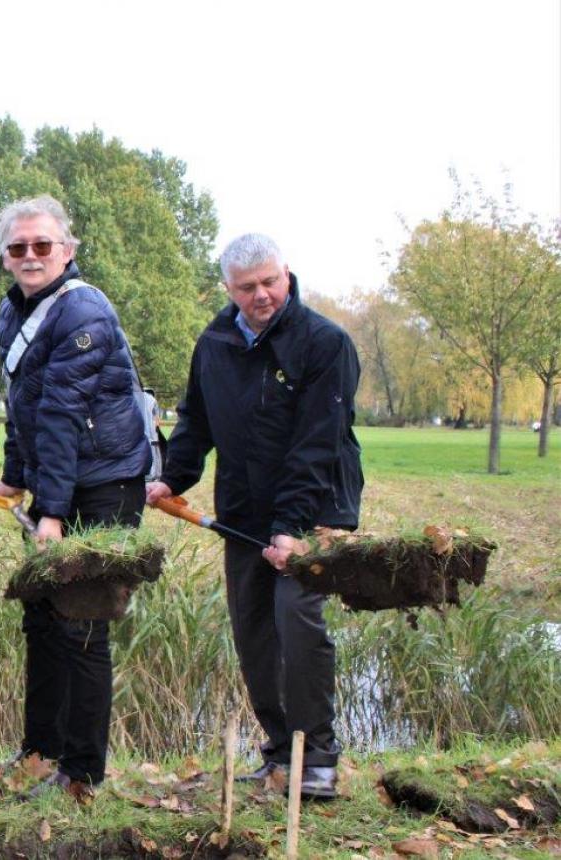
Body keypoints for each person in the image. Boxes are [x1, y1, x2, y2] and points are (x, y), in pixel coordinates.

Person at [145, 233, 362, 800]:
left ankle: (316, 759)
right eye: (248, 287)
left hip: (314, 511)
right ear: (228, 289)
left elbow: (317, 445)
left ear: (287, 274)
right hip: (242, 511)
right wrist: (173, 477)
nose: (262, 294)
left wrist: (290, 528)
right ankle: (278, 752)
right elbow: (197, 420)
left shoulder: (324, 343)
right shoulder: (215, 342)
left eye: (270, 281)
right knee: (254, 633)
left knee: (297, 622)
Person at [0, 196, 150, 797]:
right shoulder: (13, 314)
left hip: (106, 482)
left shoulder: (83, 313)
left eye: (42, 245)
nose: (31, 256)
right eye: (18, 247)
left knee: (83, 620)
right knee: (41, 615)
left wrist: (50, 513)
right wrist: (13, 477)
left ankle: (82, 772)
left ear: (68, 250)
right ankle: (40, 751)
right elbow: (21, 409)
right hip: (57, 478)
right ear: (5, 257)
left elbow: (60, 414)